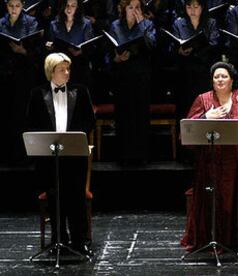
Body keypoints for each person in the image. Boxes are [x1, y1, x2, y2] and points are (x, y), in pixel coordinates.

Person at [181, 61, 238, 252]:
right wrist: (207, 117)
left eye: (224, 76)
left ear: (232, 80)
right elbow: (186, 131)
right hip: (211, 164)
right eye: (216, 76)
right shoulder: (203, 99)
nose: (220, 79)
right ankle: (214, 239)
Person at [25, 52, 95, 256]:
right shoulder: (37, 94)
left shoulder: (80, 91)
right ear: (51, 72)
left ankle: (79, 241)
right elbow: (31, 123)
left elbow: (89, 120)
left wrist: (73, 137)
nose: (66, 73)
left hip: (74, 157)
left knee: (76, 199)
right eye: (62, 69)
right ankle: (58, 240)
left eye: (68, 69)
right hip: (49, 158)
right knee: (55, 199)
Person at [107, 0, 156, 164]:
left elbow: (151, 46)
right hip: (122, 76)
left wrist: (142, 23)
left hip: (141, 75)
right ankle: (123, 154)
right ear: (123, 8)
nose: (134, 11)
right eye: (130, 7)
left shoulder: (147, 24)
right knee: (123, 114)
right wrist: (116, 58)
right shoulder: (115, 25)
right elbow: (108, 51)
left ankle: (141, 154)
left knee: (140, 114)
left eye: (137, 7)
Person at [0, 0, 43, 164]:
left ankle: (23, 155)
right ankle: (5, 154)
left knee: (22, 113)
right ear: (6, 5)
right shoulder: (1, 23)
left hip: (24, 74)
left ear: (22, 6)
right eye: (11, 5)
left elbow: (38, 50)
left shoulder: (31, 23)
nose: (14, 9)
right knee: (5, 113)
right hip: (4, 74)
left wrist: (23, 51)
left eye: (17, 6)